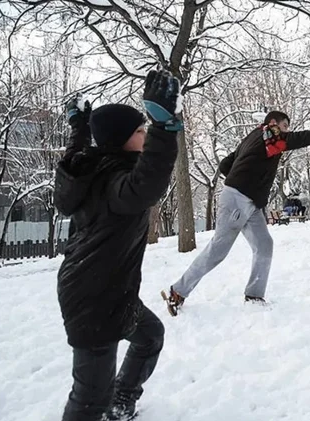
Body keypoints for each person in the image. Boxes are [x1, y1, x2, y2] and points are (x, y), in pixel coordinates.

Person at [54, 70, 182, 421]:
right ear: (122, 140)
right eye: (139, 132)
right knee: (90, 397)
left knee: (149, 336)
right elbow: (147, 183)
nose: (144, 135)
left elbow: (76, 151)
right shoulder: (115, 183)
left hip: (109, 292)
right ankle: (109, 403)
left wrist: (79, 126)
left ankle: (122, 401)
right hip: (93, 300)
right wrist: (164, 127)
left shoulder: (91, 167)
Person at [162, 112, 310, 314]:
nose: (286, 131)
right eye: (285, 126)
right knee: (218, 251)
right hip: (238, 200)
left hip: (249, 202)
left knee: (264, 244)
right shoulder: (270, 133)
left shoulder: (255, 137)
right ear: (273, 123)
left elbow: (226, 163)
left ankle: (254, 295)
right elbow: (296, 139)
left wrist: (245, 176)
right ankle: (177, 291)